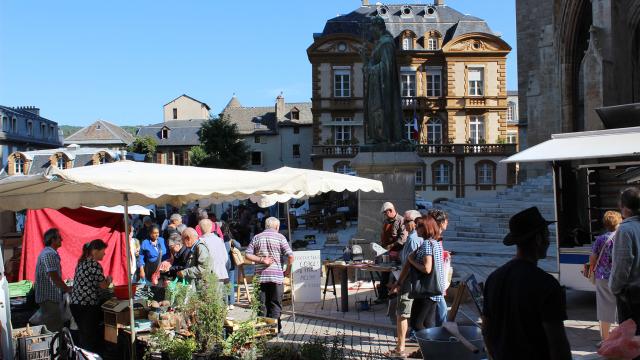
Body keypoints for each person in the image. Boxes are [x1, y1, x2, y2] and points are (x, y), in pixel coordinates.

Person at [482, 207, 571, 360]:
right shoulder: (547, 285)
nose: (549, 241)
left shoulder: (493, 278)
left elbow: (486, 329)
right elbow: (558, 344)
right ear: (538, 240)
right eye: (547, 236)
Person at [395, 216, 445, 332]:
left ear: (426, 227)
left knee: (416, 324)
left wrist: (411, 260)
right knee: (428, 323)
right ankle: (429, 349)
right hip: (435, 290)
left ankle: (427, 347)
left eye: (419, 227)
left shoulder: (427, 243)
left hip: (426, 291)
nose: (416, 229)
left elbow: (427, 269)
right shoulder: (435, 243)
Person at [244, 217, 294, 332]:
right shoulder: (281, 237)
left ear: (265, 226)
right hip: (276, 277)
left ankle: (263, 332)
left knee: (262, 305)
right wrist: (288, 271)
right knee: (275, 304)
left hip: (260, 277)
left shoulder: (257, 237)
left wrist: (261, 259)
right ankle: (275, 331)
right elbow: (291, 256)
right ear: (277, 227)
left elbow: (247, 254)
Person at [362, 16, 404, 144]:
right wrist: (365, 59)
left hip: (382, 88)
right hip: (377, 86)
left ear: (377, 27)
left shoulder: (386, 43)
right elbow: (376, 65)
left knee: (378, 110)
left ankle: (383, 137)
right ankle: (378, 137)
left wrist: (369, 68)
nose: (370, 31)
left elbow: (386, 67)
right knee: (375, 111)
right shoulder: (380, 43)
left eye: (371, 28)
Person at [387, 210, 423, 358]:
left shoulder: (414, 239)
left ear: (416, 222)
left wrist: (399, 282)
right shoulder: (412, 238)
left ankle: (400, 347)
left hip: (408, 283)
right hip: (408, 281)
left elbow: (410, 265)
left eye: (407, 221)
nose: (404, 224)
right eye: (404, 221)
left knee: (402, 314)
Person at [70, 239, 112, 352]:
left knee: (83, 335)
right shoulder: (94, 264)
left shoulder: (82, 263)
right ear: (94, 251)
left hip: (76, 304)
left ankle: (81, 354)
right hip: (87, 305)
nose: (104, 253)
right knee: (89, 337)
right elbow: (103, 286)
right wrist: (109, 280)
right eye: (103, 251)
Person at [610, 187, 640, 335]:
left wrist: (615, 288)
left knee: (631, 345)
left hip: (632, 298)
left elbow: (622, 265)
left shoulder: (625, 229)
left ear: (625, 207)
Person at [590, 210, 623, 342]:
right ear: (618, 222)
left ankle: (605, 340)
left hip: (602, 277)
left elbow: (593, 259)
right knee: (622, 307)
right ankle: (623, 338)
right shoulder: (622, 238)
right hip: (620, 276)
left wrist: (593, 269)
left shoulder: (600, 239)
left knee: (604, 308)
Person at [34, 228, 71, 332]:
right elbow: (54, 276)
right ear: (52, 240)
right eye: (59, 237)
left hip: (50, 298)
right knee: (54, 329)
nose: (62, 239)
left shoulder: (49, 253)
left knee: (52, 326)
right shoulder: (49, 254)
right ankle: (54, 348)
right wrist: (67, 289)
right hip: (49, 298)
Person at [377, 201, 406, 303]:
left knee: (395, 275)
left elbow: (402, 239)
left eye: (386, 213)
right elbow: (383, 236)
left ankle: (394, 298)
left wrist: (391, 246)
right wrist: (379, 248)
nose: (385, 215)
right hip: (386, 251)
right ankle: (382, 296)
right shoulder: (386, 221)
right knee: (384, 274)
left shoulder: (401, 220)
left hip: (398, 252)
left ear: (390, 210)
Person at [428, 208, 450, 326]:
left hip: (437, 280)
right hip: (434, 281)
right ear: (441, 223)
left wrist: (445, 254)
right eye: (446, 220)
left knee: (438, 310)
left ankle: (439, 331)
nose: (448, 223)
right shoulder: (433, 239)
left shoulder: (438, 238)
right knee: (441, 310)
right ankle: (441, 332)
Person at [222, 222, 242, 309]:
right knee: (230, 282)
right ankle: (231, 303)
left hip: (222, 264)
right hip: (231, 264)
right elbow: (239, 246)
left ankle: (226, 303)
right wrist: (232, 241)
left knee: (224, 283)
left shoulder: (219, 239)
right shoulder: (230, 239)